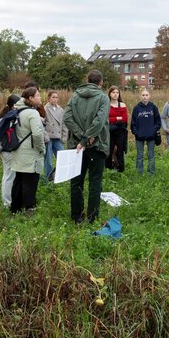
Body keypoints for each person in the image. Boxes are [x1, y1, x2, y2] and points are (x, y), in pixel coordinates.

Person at [64, 70, 109, 224]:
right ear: (100, 82)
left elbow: (67, 118)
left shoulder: (74, 97)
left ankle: (77, 216)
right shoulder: (103, 98)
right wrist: (85, 138)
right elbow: (99, 121)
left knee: (76, 182)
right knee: (95, 182)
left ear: (87, 80)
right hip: (96, 145)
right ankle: (92, 218)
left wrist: (80, 136)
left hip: (77, 146)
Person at [10, 87, 45, 215]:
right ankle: (29, 209)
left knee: (18, 180)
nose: (40, 98)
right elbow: (37, 135)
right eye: (38, 95)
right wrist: (41, 148)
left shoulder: (18, 110)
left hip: (19, 151)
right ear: (30, 98)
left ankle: (15, 209)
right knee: (30, 181)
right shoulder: (32, 113)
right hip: (30, 153)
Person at [0, 94, 21, 207]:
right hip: (8, 150)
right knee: (9, 176)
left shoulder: (6, 117)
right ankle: (7, 203)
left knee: (9, 175)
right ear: (13, 106)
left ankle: (10, 200)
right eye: (19, 104)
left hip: (6, 150)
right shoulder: (9, 118)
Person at [130, 89, 161, 175]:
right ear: (140, 96)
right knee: (140, 156)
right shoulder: (136, 108)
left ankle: (151, 172)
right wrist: (136, 132)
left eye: (146, 95)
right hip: (139, 136)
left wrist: (153, 131)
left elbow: (158, 122)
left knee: (151, 155)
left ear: (149, 96)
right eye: (143, 95)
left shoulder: (153, 107)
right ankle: (140, 173)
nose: (145, 97)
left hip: (151, 136)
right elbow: (133, 122)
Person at [43, 90, 68, 181]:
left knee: (62, 158)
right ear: (48, 98)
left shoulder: (61, 110)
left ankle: (61, 175)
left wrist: (64, 137)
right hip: (48, 138)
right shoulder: (44, 109)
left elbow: (64, 124)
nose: (55, 99)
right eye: (53, 97)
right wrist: (46, 137)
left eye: (56, 97)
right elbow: (42, 125)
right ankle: (49, 177)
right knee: (48, 160)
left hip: (58, 138)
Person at [106, 86, 128, 172]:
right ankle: (109, 168)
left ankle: (120, 169)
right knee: (109, 150)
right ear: (110, 94)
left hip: (120, 131)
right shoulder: (106, 105)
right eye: (113, 92)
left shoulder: (122, 105)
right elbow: (106, 119)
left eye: (117, 92)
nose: (115, 94)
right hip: (110, 131)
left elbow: (125, 119)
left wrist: (113, 119)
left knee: (120, 150)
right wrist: (117, 118)